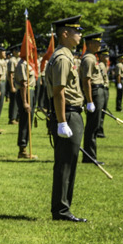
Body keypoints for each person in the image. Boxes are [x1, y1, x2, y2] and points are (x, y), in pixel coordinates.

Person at [45, 16, 88, 223]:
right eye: (76, 31)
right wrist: (62, 121)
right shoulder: (62, 58)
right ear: (65, 34)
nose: (80, 34)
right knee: (64, 164)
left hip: (71, 113)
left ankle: (64, 208)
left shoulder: (67, 55)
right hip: (67, 114)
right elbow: (59, 91)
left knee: (69, 162)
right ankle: (61, 210)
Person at [80, 32, 106, 165]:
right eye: (97, 42)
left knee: (94, 125)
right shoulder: (89, 59)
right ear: (90, 44)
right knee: (92, 126)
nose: (100, 45)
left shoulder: (92, 57)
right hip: (94, 92)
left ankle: (90, 155)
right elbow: (86, 81)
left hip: (97, 91)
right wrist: (89, 101)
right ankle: (89, 156)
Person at [14, 51, 38, 160]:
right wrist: (25, 102)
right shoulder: (22, 64)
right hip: (25, 93)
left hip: (31, 92)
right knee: (25, 121)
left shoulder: (29, 63)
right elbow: (23, 84)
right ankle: (22, 149)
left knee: (29, 121)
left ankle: (25, 147)